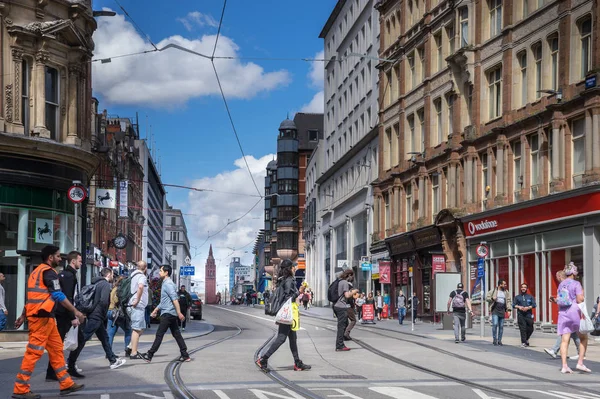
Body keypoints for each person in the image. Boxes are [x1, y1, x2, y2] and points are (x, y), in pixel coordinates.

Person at [12, 245, 85, 399]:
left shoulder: (36, 272)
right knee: (33, 353)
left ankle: (66, 384)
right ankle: (20, 389)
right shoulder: (49, 272)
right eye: (58, 256)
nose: (60, 259)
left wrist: (23, 315)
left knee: (57, 350)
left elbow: (33, 298)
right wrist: (76, 312)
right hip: (41, 318)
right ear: (50, 257)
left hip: (45, 317)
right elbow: (58, 295)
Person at [67, 268, 126, 373]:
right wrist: (102, 312)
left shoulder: (97, 283)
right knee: (84, 338)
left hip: (94, 315)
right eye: (112, 274)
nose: (113, 276)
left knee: (104, 338)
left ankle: (113, 360)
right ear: (108, 275)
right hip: (97, 315)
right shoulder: (105, 285)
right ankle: (70, 362)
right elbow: (103, 301)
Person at [256, 259, 311, 371]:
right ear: (290, 268)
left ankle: (297, 362)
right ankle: (263, 359)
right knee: (281, 338)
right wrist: (299, 291)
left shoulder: (283, 279)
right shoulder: (289, 280)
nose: (295, 268)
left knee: (293, 338)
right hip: (287, 313)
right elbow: (288, 298)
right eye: (293, 267)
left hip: (286, 313)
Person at [46, 251, 84, 381]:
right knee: (62, 342)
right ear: (73, 261)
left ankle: (54, 371)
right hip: (64, 314)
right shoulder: (68, 276)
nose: (81, 263)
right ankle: (65, 369)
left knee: (59, 343)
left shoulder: (67, 274)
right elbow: (66, 298)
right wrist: (73, 316)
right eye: (80, 260)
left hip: (62, 313)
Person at [141, 265, 190, 362]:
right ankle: (185, 355)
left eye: (161, 271)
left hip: (167, 314)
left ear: (166, 273)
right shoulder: (167, 283)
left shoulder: (168, 284)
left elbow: (175, 299)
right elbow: (164, 301)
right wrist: (156, 310)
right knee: (176, 334)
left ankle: (149, 355)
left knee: (159, 334)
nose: (159, 272)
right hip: (169, 313)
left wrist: (179, 313)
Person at [556, 262, 590, 374]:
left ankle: (564, 366)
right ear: (574, 273)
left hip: (563, 313)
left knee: (564, 340)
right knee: (583, 337)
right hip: (574, 313)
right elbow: (580, 299)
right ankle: (580, 362)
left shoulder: (561, 284)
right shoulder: (576, 283)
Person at [544, 270, 582, 359]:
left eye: (557, 277)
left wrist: (555, 300)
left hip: (567, 312)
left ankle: (555, 350)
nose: (556, 279)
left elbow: (564, 300)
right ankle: (581, 353)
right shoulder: (575, 284)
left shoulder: (563, 285)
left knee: (565, 332)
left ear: (559, 277)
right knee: (574, 334)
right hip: (574, 311)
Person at [333, 269, 359, 351]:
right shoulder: (344, 282)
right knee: (342, 327)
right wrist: (354, 291)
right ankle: (340, 345)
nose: (352, 278)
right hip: (341, 306)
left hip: (336, 305)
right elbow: (347, 295)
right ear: (349, 275)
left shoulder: (339, 281)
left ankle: (340, 344)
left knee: (343, 325)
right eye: (352, 276)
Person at [107, 275, 132, 356]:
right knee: (128, 331)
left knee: (110, 334)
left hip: (110, 311)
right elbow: (118, 300)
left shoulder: (113, 289)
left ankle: (108, 352)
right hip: (118, 313)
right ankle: (128, 350)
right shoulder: (121, 290)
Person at [128, 261, 149, 360]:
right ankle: (133, 353)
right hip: (137, 305)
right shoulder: (142, 276)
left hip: (135, 306)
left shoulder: (132, 275)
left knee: (141, 328)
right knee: (137, 329)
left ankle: (130, 347)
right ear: (145, 269)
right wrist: (137, 300)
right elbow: (140, 287)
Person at [486, 279, 512, 346]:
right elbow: (487, 298)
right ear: (500, 284)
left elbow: (509, 301)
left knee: (501, 326)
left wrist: (509, 310)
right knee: (495, 324)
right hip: (495, 309)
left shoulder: (506, 292)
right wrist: (492, 298)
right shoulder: (494, 290)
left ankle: (499, 340)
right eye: (504, 284)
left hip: (502, 309)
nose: (505, 285)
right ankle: (495, 339)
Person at [513, 283, 536, 347]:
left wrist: (528, 307)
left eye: (525, 287)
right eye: (522, 287)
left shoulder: (530, 297)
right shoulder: (517, 297)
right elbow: (513, 305)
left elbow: (534, 305)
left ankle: (526, 339)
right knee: (522, 329)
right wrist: (519, 307)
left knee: (531, 328)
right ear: (520, 288)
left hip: (528, 314)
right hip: (521, 315)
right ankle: (523, 342)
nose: (523, 288)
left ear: (526, 288)